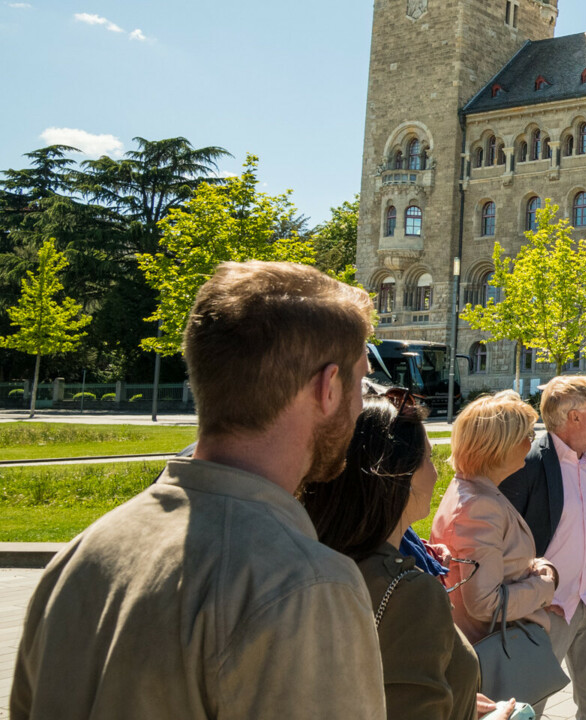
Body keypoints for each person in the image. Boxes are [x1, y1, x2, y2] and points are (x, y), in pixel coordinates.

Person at [11, 261, 385, 718]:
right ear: (328, 387)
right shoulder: (304, 585)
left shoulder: (82, 555)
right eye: (361, 381)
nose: (361, 402)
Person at [302, 396, 493, 720]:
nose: (436, 472)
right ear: (399, 477)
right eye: (429, 459)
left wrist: (451, 698)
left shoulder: (312, 558)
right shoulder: (410, 593)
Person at [498, 376, 586, 720]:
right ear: (575, 417)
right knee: (527, 707)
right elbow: (506, 540)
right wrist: (528, 595)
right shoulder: (528, 463)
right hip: (548, 610)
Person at [434, 391, 559, 648]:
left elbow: (495, 559)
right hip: (491, 655)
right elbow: (485, 603)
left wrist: (535, 564)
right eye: (527, 436)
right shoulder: (480, 505)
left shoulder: (471, 488)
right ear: (499, 446)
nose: (530, 444)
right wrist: (544, 586)